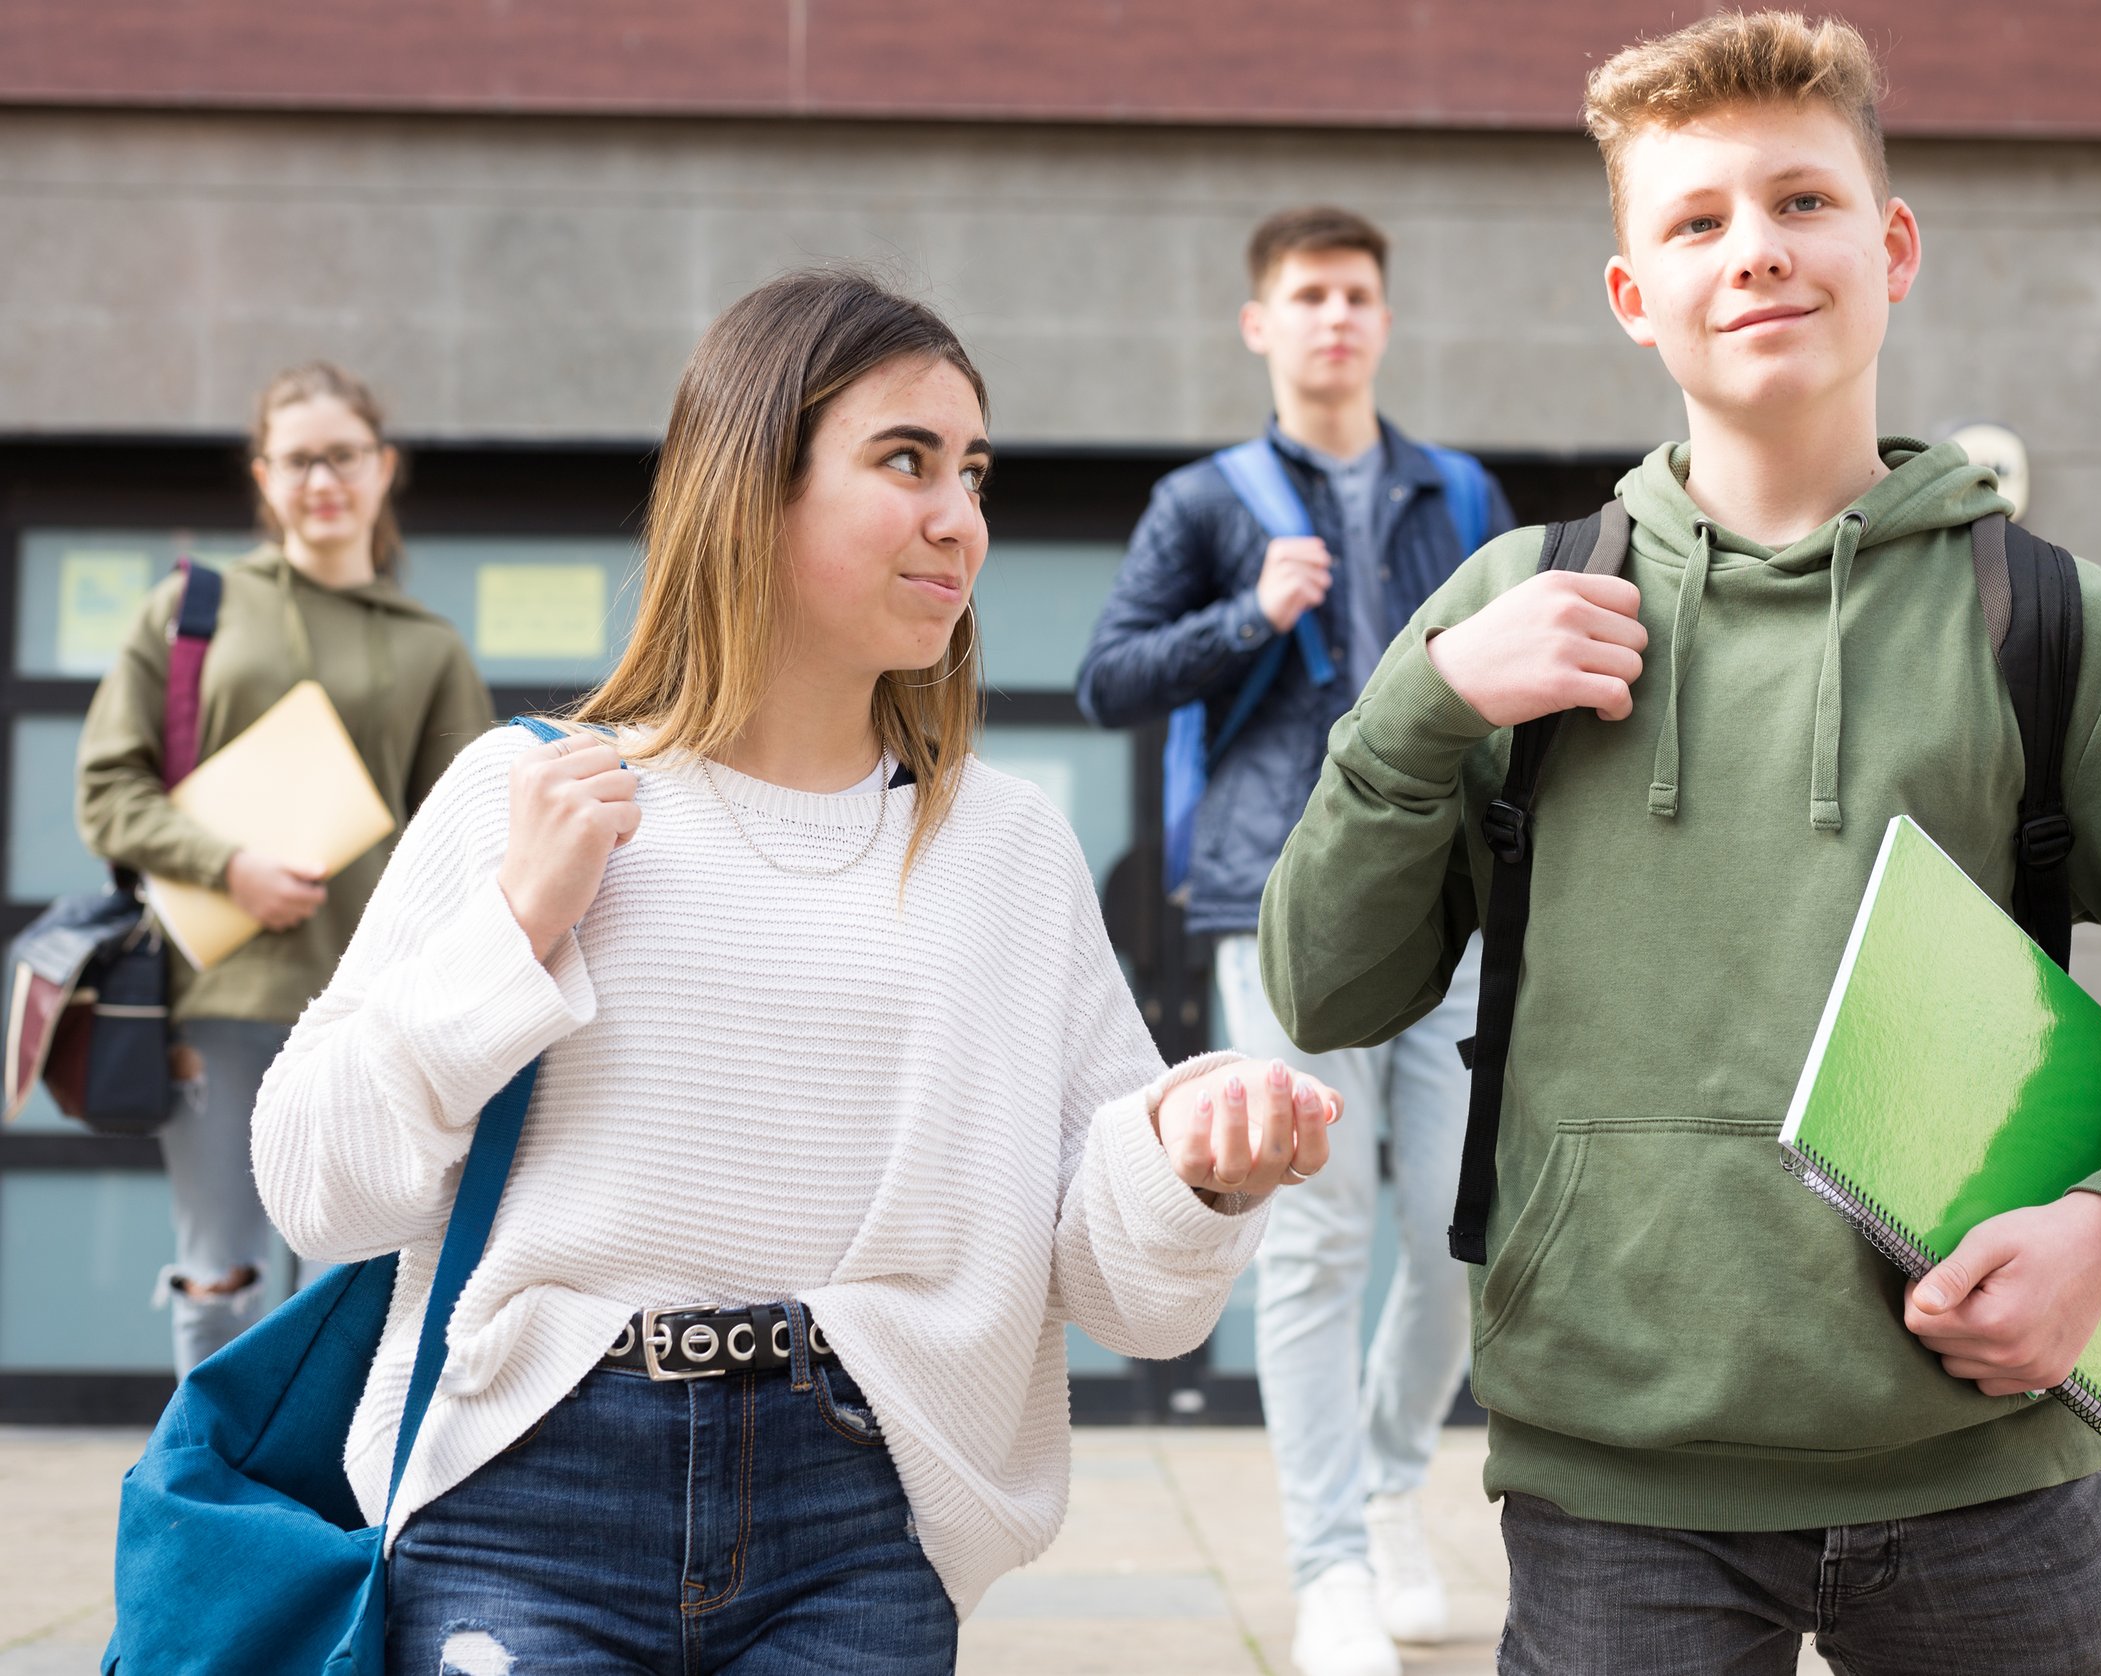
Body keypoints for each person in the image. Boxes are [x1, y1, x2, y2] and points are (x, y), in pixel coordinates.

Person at [1257, 14, 2101, 1676]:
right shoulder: (1513, 614)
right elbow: (1322, 987)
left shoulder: (2058, 630)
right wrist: (1420, 708)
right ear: (1633, 293)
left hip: (1988, 1489)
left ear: (1892, 246)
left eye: (1802, 201)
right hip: (1616, 1503)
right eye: (1696, 220)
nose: (1756, 251)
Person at [250, 270, 1344, 1672]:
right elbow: (316, 1186)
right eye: (906, 460)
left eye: (973, 472)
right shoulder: (530, 798)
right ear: (753, 487)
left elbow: (1125, 1290)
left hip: (861, 1517)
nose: (960, 517)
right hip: (524, 1498)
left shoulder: (1008, 849)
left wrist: (1188, 1164)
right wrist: (512, 931)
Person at [1078, 206, 1513, 1676]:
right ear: (1260, 324)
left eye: (1356, 295)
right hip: (1279, 907)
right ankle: (1331, 1564)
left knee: (1457, 1233)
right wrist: (1249, 617)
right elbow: (1109, 679)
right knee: (1319, 1239)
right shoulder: (1206, 501)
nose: (1335, 317)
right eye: (1309, 295)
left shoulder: (1458, 490)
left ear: (1383, 319)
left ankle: (1390, 1488)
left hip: (1449, 906)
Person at [76, 362, 490, 1378]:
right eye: (298, 460)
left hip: (370, 1008)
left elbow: (469, 834)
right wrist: (230, 867)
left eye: (342, 456)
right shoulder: (191, 610)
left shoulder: (431, 646)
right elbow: (107, 790)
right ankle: (208, 1475)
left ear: (383, 466)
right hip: (218, 997)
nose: (323, 481)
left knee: (349, 1285)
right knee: (219, 1276)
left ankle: (325, 1481)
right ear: (263, 476)